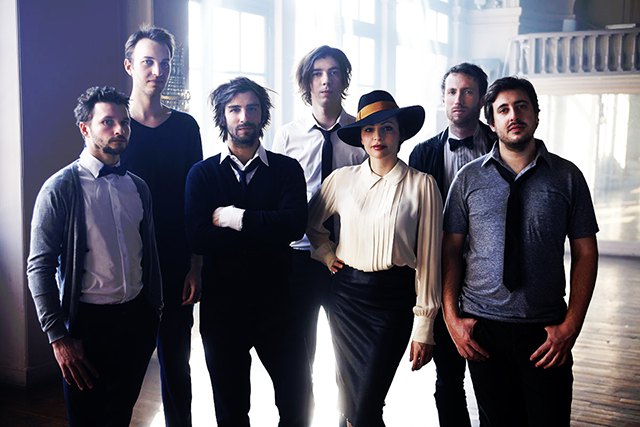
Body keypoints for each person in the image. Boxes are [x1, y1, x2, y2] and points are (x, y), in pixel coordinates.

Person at [442, 76, 599, 426]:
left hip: (546, 330)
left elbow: (586, 253)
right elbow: (450, 251)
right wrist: (452, 320)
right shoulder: (467, 179)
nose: (514, 115)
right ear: (491, 122)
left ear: (537, 114)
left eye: (522, 106)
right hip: (483, 328)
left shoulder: (567, 177)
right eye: (503, 110)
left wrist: (571, 326)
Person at [26, 86, 162, 426]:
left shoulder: (138, 187)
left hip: (136, 321)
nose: (119, 130)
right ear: (85, 128)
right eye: (108, 122)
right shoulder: (60, 188)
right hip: (87, 326)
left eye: (124, 122)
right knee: (86, 420)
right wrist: (58, 337)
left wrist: (153, 313)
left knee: (120, 416)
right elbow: (39, 266)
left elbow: (149, 253)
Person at [307, 90, 443, 426]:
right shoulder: (342, 180)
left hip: (393, 302)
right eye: (369, 130)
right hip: (346, 299)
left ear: (400, 133)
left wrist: (424, 326)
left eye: (387, 128)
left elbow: (429, 262)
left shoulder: (422, 185)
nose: (378, 137)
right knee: (350, 403)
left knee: (366, 404)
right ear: (361, 137)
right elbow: (311, 223)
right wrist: (326, 253)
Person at [184, 77, 312, 426]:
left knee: (298, 401)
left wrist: (232, 218)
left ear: (262, 115)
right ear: (222, 115)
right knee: (231, 409)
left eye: (252, 109)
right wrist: (265, 228)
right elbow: (198, 238)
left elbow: (294, 226)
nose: (244, 117)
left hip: (279, 306)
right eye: (235, 109)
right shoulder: (202, 174)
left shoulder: (287, 170)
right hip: (222, 309)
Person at [271, 45, 366, 406]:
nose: (326, 80)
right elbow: (277, 196)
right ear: (307, 82)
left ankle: (351, 416)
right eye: (317, 73)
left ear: (344, 79)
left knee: (351, 352)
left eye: (334, 72)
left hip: (349, 256)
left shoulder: (361, 133)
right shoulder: (288, 135)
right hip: (300, 256)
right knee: (299, 353)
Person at [120, 25, 203, 427]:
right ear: (129, 66)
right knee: (123, 365)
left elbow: (196, 201)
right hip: (124, 263)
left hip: (174, 259)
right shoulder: (114, 126)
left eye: (164, 63)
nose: (157, 71)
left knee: (176, 362)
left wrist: (196, 265)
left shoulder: (186, 127)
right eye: (148, 62)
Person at [408, 62, 495, 427]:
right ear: (443, 98)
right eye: (452, 92)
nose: (458, 99)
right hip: (441, 273)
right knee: (447, 379)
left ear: (482, 99)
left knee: (493, 381)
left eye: (468, 91)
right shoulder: (421, 153)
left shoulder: (502, 144)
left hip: (492, 276)